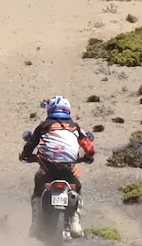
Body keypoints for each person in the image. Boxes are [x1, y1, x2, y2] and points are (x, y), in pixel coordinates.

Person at [20, 95, 95, 238]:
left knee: (37, 188)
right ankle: (75, 222)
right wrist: (88, 157)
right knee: (77, 186)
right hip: (68, 168)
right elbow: (89, 148)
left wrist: (24, 156)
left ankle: (36, 224)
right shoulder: (74, 126)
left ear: (50, 110)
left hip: (48, 168)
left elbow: (30, 145)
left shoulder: (43, 126)